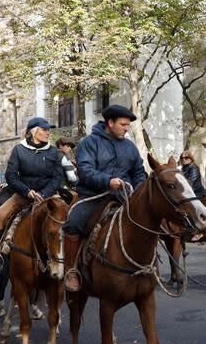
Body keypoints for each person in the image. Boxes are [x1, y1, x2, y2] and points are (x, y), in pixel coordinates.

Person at [61, 105, 146, 291]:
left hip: (126, 197)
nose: (126, 128)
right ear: (110, 122)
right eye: (123, 124)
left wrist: (137, 193)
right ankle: (71, 270)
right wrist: (108, 181)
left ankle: (148, 267)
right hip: (94, 197)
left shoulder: (130, 147)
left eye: (128, 125)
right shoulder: (88, 143)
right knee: (73, 223)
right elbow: (85, 170)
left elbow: (139, 172)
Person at [0, 117, 64, 270]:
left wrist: (44, 193)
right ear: (33, 132)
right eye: (44, 129)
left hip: (49, 196)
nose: (48, 132)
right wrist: (27, 192)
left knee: (68, 215)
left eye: (48, 129)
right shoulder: (18, 149)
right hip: (23, 194)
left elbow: (57, 177)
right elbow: (11, 175)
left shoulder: (54, 151)